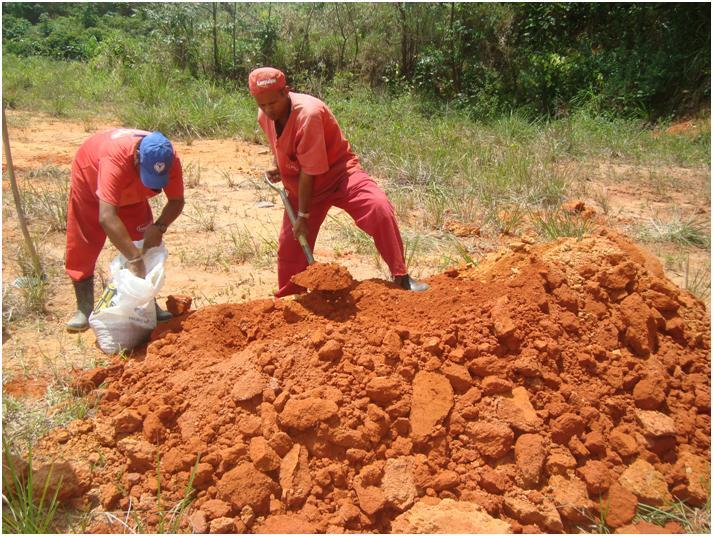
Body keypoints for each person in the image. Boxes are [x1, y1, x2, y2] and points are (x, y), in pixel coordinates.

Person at [248, 67, 429, 297]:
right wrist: (280, 166)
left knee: (378, 207)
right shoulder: (265, 116)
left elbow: (309, 172)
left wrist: (303, 216)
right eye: (261, 104)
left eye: (272, 103)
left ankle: (401, 276)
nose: (267, 110)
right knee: (290, 244)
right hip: (302, 184)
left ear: (286, 91)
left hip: (339, 175)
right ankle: (292, 297)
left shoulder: (309, 114)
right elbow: (281, 144)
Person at [65, 128, 185, 332]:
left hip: (133, 191)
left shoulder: (169, 158)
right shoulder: (115, 160)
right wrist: (134, 259)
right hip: (91, 177)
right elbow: (106, 217)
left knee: (141, 241)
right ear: (137, 158)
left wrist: (159, 226)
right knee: (84, 240)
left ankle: (145, 303)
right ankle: (84, 308)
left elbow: (177, 200)